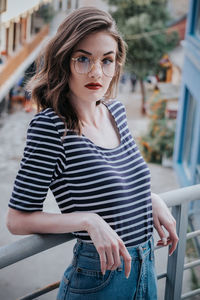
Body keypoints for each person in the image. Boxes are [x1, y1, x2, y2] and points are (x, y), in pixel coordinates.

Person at [6, 7, 178, 300]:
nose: (97, 72)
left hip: (146, 267)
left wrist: (149, 197)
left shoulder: (116, 112)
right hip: (99, 280)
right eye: (83, 59)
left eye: (106, 60)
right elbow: (17, 219)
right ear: (64, 62)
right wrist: (87, 220)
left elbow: (119, 178)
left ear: (116, 65)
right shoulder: (50, 126)